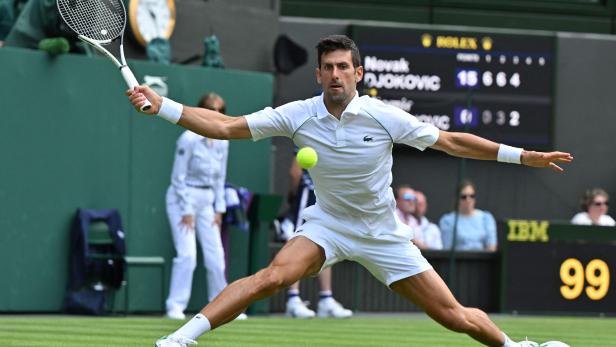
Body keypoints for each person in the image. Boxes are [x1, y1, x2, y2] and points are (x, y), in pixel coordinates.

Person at [127, 34, 572, 347]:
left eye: (344, 67)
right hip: (328, 225)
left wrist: (522, 156)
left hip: (382, 232)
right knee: (271, 278)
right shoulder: (298, 114)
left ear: (357, 73)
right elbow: (225, 125)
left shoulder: (384, 115)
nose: (336, 74)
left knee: (453, 316)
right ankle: (180, 338)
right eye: (328, 68)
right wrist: (163, 106)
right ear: (319, 75)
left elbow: (452, 141)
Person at [164, 92, 246, 321]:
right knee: (187, 255)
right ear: (201, 110)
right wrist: (188, 210)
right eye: (211, 109)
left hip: (208, 201)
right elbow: (177, 178)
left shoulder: (223, 141)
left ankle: (223, 307)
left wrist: (219, 208)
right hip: (183, 199)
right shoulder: (188, 139)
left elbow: (220, 178)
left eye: (221, 110)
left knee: (216, 256)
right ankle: (175, 306)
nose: (216, 114)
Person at [279, 158, 352, 318]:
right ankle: (293, 300)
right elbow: (295, 172)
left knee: (325, 242)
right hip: (308, 193)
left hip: (324, 195)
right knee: (296, 240)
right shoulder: (306, 136)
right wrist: (294, 195)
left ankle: (326, 299)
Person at [439, 180, 498, 252]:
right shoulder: (447, 221)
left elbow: (492, 247)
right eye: (464, 197)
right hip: (459, 261)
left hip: (483, 262)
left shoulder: (486, 218)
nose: (468, 200)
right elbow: (447, 248)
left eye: (472, 196)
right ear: (457, 198)